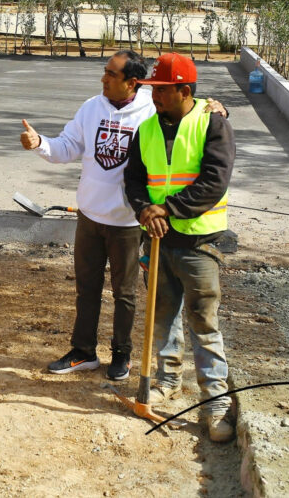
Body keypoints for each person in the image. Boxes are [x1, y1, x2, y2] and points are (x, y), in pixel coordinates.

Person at [21, 50, 225, 382]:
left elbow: (191, 112)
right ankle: (83, 351)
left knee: (125, 294)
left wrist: (217, 106)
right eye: (104, 73)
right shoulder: (91, 108)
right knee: (87, 287)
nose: (103, 79)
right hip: (90, 215)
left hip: (130, 223)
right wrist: (40, 143)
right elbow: (68, 146)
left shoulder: (152, 109)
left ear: (132, 82)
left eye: (110, 74)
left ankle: (121, 355)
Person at [123, 52, 236, 443]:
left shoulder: (213, 124)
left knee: (204, 323)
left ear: (184, 90)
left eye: (162, 91)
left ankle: (216, 403)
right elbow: (134, 180)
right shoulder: (147, 129)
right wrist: (144, 211)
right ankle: (168, 380)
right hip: (156, 241)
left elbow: (213, 182)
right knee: (163, 316)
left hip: (199, 244)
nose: (153, 97)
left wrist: (167, 210)